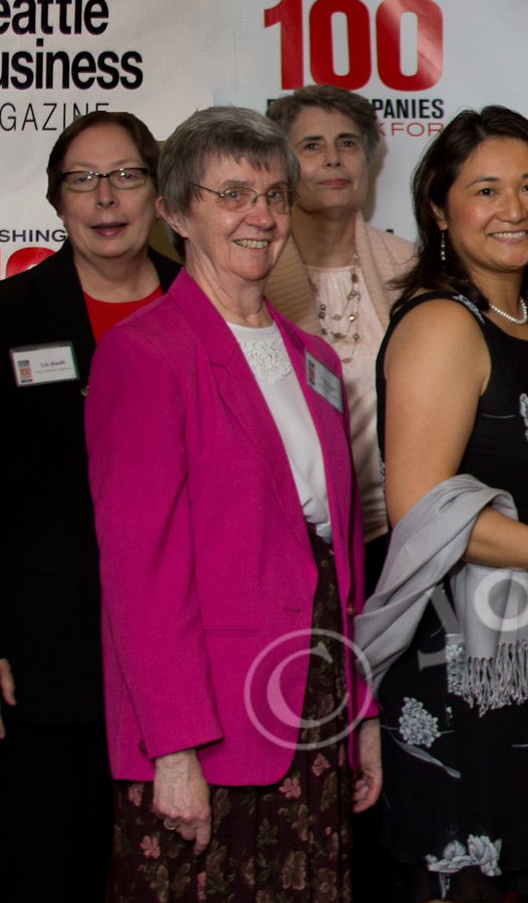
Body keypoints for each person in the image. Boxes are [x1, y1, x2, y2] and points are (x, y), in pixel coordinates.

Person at [84, 107, 381, 900]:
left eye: (275, 194)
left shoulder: (315, 358)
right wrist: (172, 747)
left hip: (313, 702)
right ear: (177, 212)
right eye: (234, 194)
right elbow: (140, 571)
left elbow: (340, 553)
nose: (262, 215)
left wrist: (362, 711)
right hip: (208, 722)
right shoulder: (144, 353)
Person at [0, 112, 178, 900]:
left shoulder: (205, 306)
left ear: (158, 192)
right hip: (41, 673)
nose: (106, 197)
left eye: (126, 176)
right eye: (83, 179)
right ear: (57, 198)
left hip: (183, 672)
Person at [373, 107, 528, 900]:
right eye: (485, 189)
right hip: (459, 673)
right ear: (439, 210)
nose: (513, 208)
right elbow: (420, 506)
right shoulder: (444, 322)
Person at [263, 85, 419, 579]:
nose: (333, 159)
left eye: (347, 143)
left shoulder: (410, 269)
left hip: (399, 534)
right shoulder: (249, 274)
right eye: (312, 145)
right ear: (280, 165)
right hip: (289, 539)